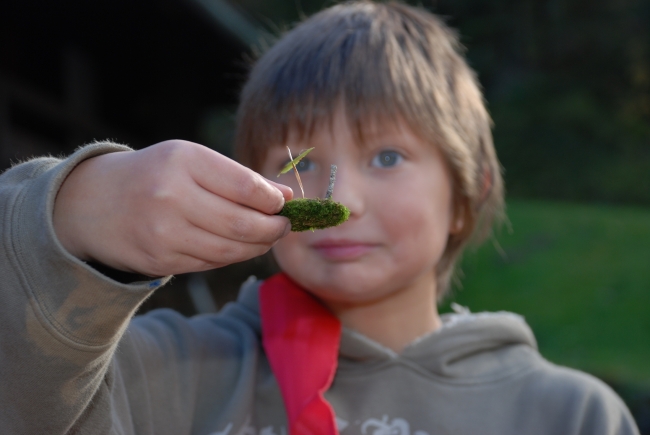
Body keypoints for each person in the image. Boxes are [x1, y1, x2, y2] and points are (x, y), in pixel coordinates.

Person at [0, 2, 639, 434]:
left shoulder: (569, 414)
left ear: (468, 192)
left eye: (387, 156)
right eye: (298, 161)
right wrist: (69, 215)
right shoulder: (161, 372)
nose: (346, 203)